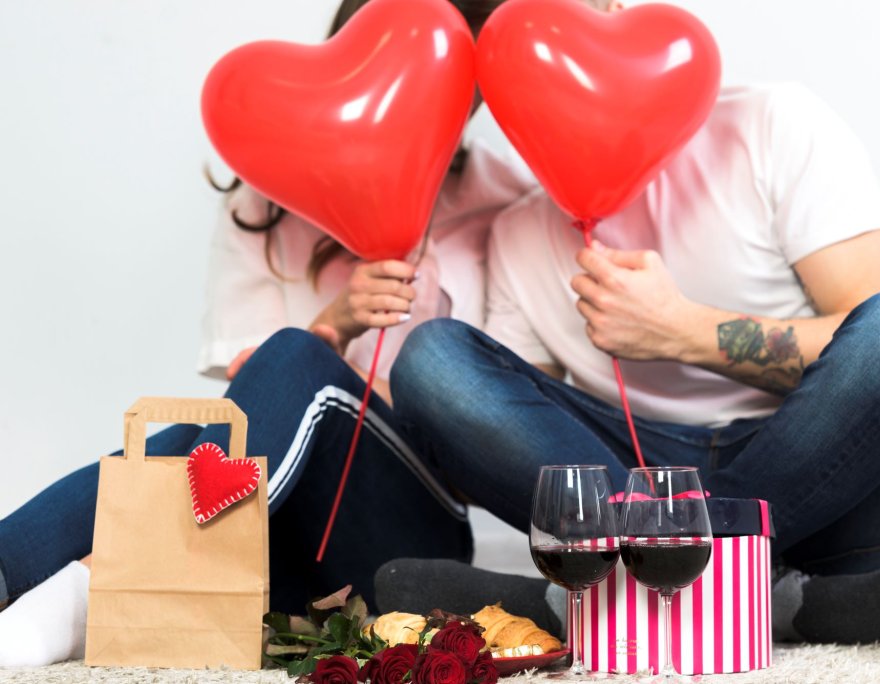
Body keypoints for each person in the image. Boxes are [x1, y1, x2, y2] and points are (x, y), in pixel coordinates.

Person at [0, 0, 532, 667]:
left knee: (221, 420)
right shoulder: (264, 199)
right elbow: (250, 411)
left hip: (403, 535)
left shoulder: (502, 201)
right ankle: (55, 582)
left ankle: (86, 589)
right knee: (202, 436)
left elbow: (503, 439)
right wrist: (334, 326)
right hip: (273, 543)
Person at [380, 77, 880, 654]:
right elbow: (533, 455)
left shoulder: (771, 125)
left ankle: (577, 606)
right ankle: (787, 603)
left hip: (819, 484)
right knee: (433, 359)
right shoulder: (515, 232)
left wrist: (683, 332)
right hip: (639, 492)